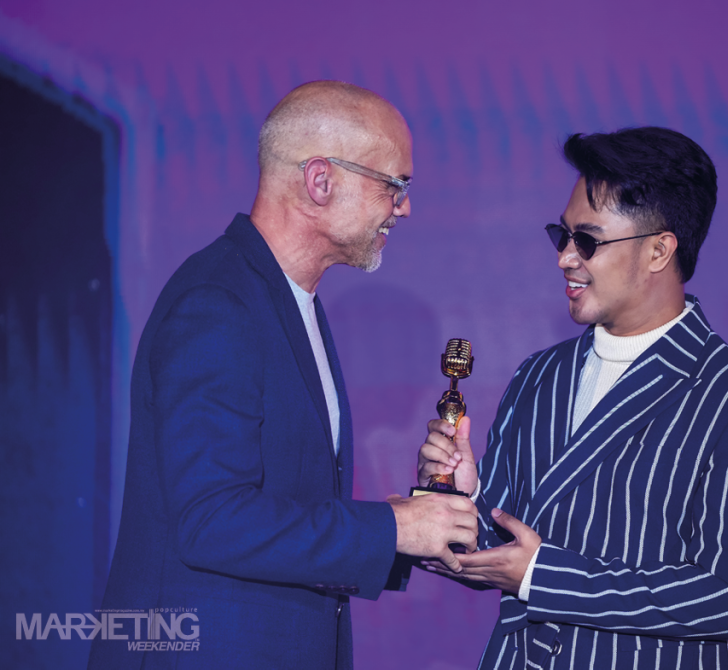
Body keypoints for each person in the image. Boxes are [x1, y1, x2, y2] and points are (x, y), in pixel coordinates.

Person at [90, 81, 478, 670]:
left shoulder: (289, 301)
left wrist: (416, 521)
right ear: (320, 181)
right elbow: (213, 521)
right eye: (393, 185)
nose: (403, 208)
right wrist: (390, 528)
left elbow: (288, 504)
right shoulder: (218, 303)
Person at [418, 127, 728, 668]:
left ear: (659, 250)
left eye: (587, 241)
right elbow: (499, 548)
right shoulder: (540, 374)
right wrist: (463, 496)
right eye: (562, 235)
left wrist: (546, 578)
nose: (565, 258)